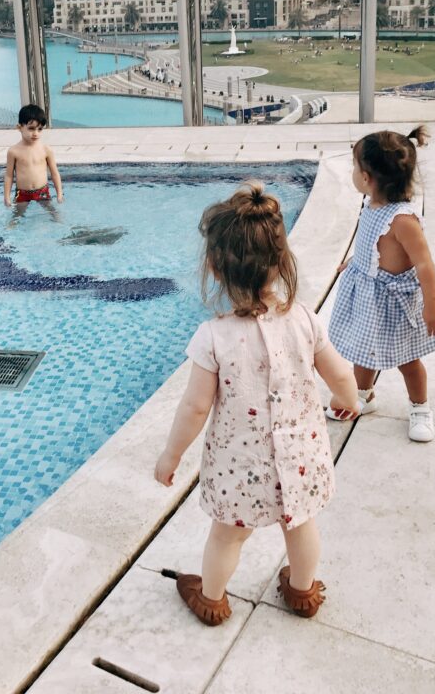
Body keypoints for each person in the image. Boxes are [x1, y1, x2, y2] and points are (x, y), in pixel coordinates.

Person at [154, 183, 360, 625]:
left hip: (240, 467)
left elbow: (194, 409)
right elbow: (340, 373)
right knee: (301, 525)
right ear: (281, 262)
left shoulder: (213, 337)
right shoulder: (303, 318)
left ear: (214, 267)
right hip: (301, 459)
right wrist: (349, 400)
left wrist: (171, 456)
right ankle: (302, 592)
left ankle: (211, 599)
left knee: (228, 537)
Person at [327, 126, 435, 442]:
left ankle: (420, 407)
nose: (353, 173)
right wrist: (355, 261)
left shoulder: (403, 221)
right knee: (364, 352)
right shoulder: (371, 205)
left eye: (355, 167)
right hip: (369, 295)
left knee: (408, 359)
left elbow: (425, 265)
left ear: (367, 177)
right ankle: (363, 394)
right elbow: (373, 245)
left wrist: (432, 307)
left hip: (395, 303)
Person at [3, 104, 63, 217]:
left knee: (54, 214)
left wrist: (59, 193)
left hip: (42, 192)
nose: (36, 133)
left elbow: (55, 173)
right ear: (19, 127)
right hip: (22, 193)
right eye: (31, 128)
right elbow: (9, 176)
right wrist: (6, 196)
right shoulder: (14, 151)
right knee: (16, 217)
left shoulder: (46, 149)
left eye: (39, 129)